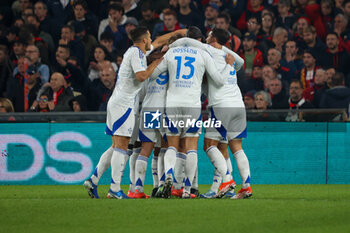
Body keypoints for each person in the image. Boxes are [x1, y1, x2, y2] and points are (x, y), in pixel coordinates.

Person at [152, 26, 235, 198]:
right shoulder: (203, 54)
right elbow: (219, 81)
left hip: (173, 103)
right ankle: (188, 189)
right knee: (191, 148)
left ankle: (168, 176)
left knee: (172, 145)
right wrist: (228, 66)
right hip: (192, 105)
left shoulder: (172, 53)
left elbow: (154, 75)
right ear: (198, 40)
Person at [83, 26, 163, 199]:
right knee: (122, 146)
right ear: (143, 40)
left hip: (118, 102)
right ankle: (114, 188)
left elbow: (155, 47)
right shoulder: (136, 53)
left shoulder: (135, 53)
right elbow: (142, 76)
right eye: (149, 37)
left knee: (116, 146)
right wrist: (155, 64)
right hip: (123, 104)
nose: (150, 40)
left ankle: (94, 179)